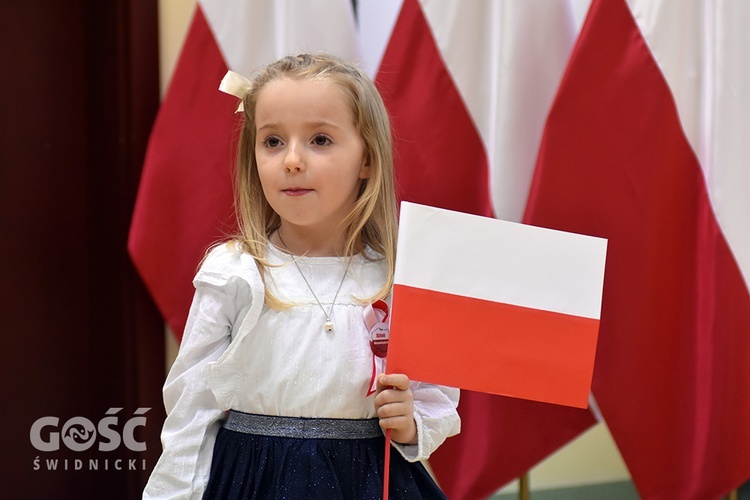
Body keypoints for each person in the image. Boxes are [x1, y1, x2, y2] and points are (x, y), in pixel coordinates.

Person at [143, 53, 460, 500]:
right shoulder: (235, 273)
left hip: (369, 482)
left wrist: (411, 424)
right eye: (272, 141)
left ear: (366, 158)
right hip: (254, 483)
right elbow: (192, 409)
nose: (291, 160)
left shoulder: (400, 278)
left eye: (320, 140)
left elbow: (437, 398)